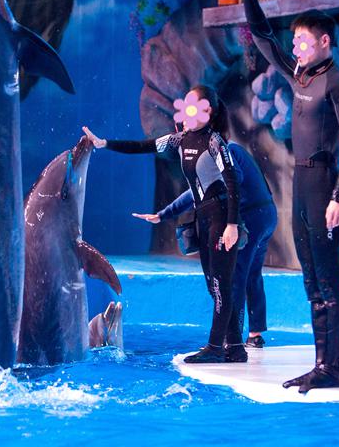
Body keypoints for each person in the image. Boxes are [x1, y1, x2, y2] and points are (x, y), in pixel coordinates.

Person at [239, 0, 339, 393]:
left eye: (303, 42)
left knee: (329, 281)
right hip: (301, 184)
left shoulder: (337, 84)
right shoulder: (301, 76)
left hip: (326, 187)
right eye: (295, 43)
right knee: (311, 282)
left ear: (325, 42)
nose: (295, 48)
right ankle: (320, 366)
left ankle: (333, 368)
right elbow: (262, 35)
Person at [82, 86, 247, 364]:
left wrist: (232, 225)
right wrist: (104, 143)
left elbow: (232, 182)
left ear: (208, 111)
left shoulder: (215, 142)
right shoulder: (179, 140)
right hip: (203, 217)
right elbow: (142, 147)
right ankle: (236, 348)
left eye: (193, 107)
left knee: (221, 285)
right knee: (214, 285)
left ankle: (216, 347)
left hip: (221, 217)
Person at [141, 140, 277, 349]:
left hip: (252, 217)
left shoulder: (225, 152)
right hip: (266, 214)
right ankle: (255, 334)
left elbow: (229, 181)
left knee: (236, 276)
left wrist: (167, 213)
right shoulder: (233, 149)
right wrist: (165, 213)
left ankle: (232, 338)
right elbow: (198, 191)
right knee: (252, 274)